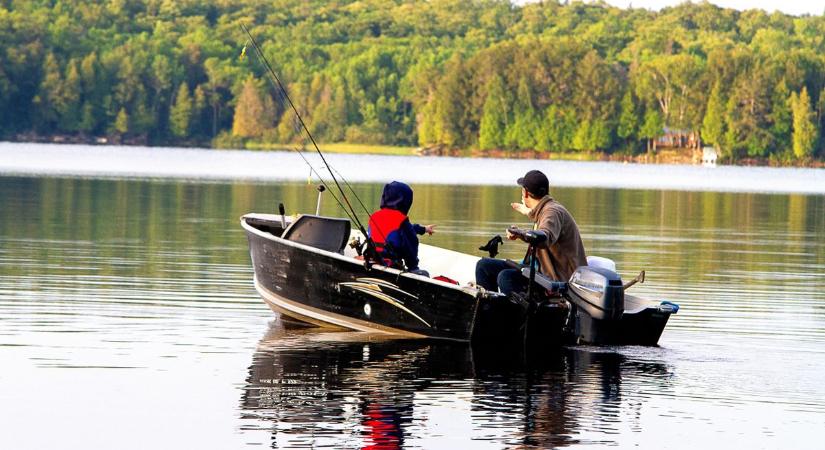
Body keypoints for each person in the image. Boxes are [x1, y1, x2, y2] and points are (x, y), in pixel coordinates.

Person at [475, 170, 587, 294]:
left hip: (556, 280)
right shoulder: (546, 209)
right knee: (484, 266)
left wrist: (520, 234)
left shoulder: (552, 212)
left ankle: (517, 313)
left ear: (526, 193)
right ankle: (490, 310)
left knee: (506, 278)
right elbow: (541, 217)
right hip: (540, 271)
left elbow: (545, 237)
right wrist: (527, 214)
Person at [368, 181, 435, 275]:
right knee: (425, 274)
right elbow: (410, 246)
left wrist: (423, 229)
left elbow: (396, 229)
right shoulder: (402, 221)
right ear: (405, 201)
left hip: (373, 259)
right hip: (392, 266)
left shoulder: (374, 216)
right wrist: (413, 266)